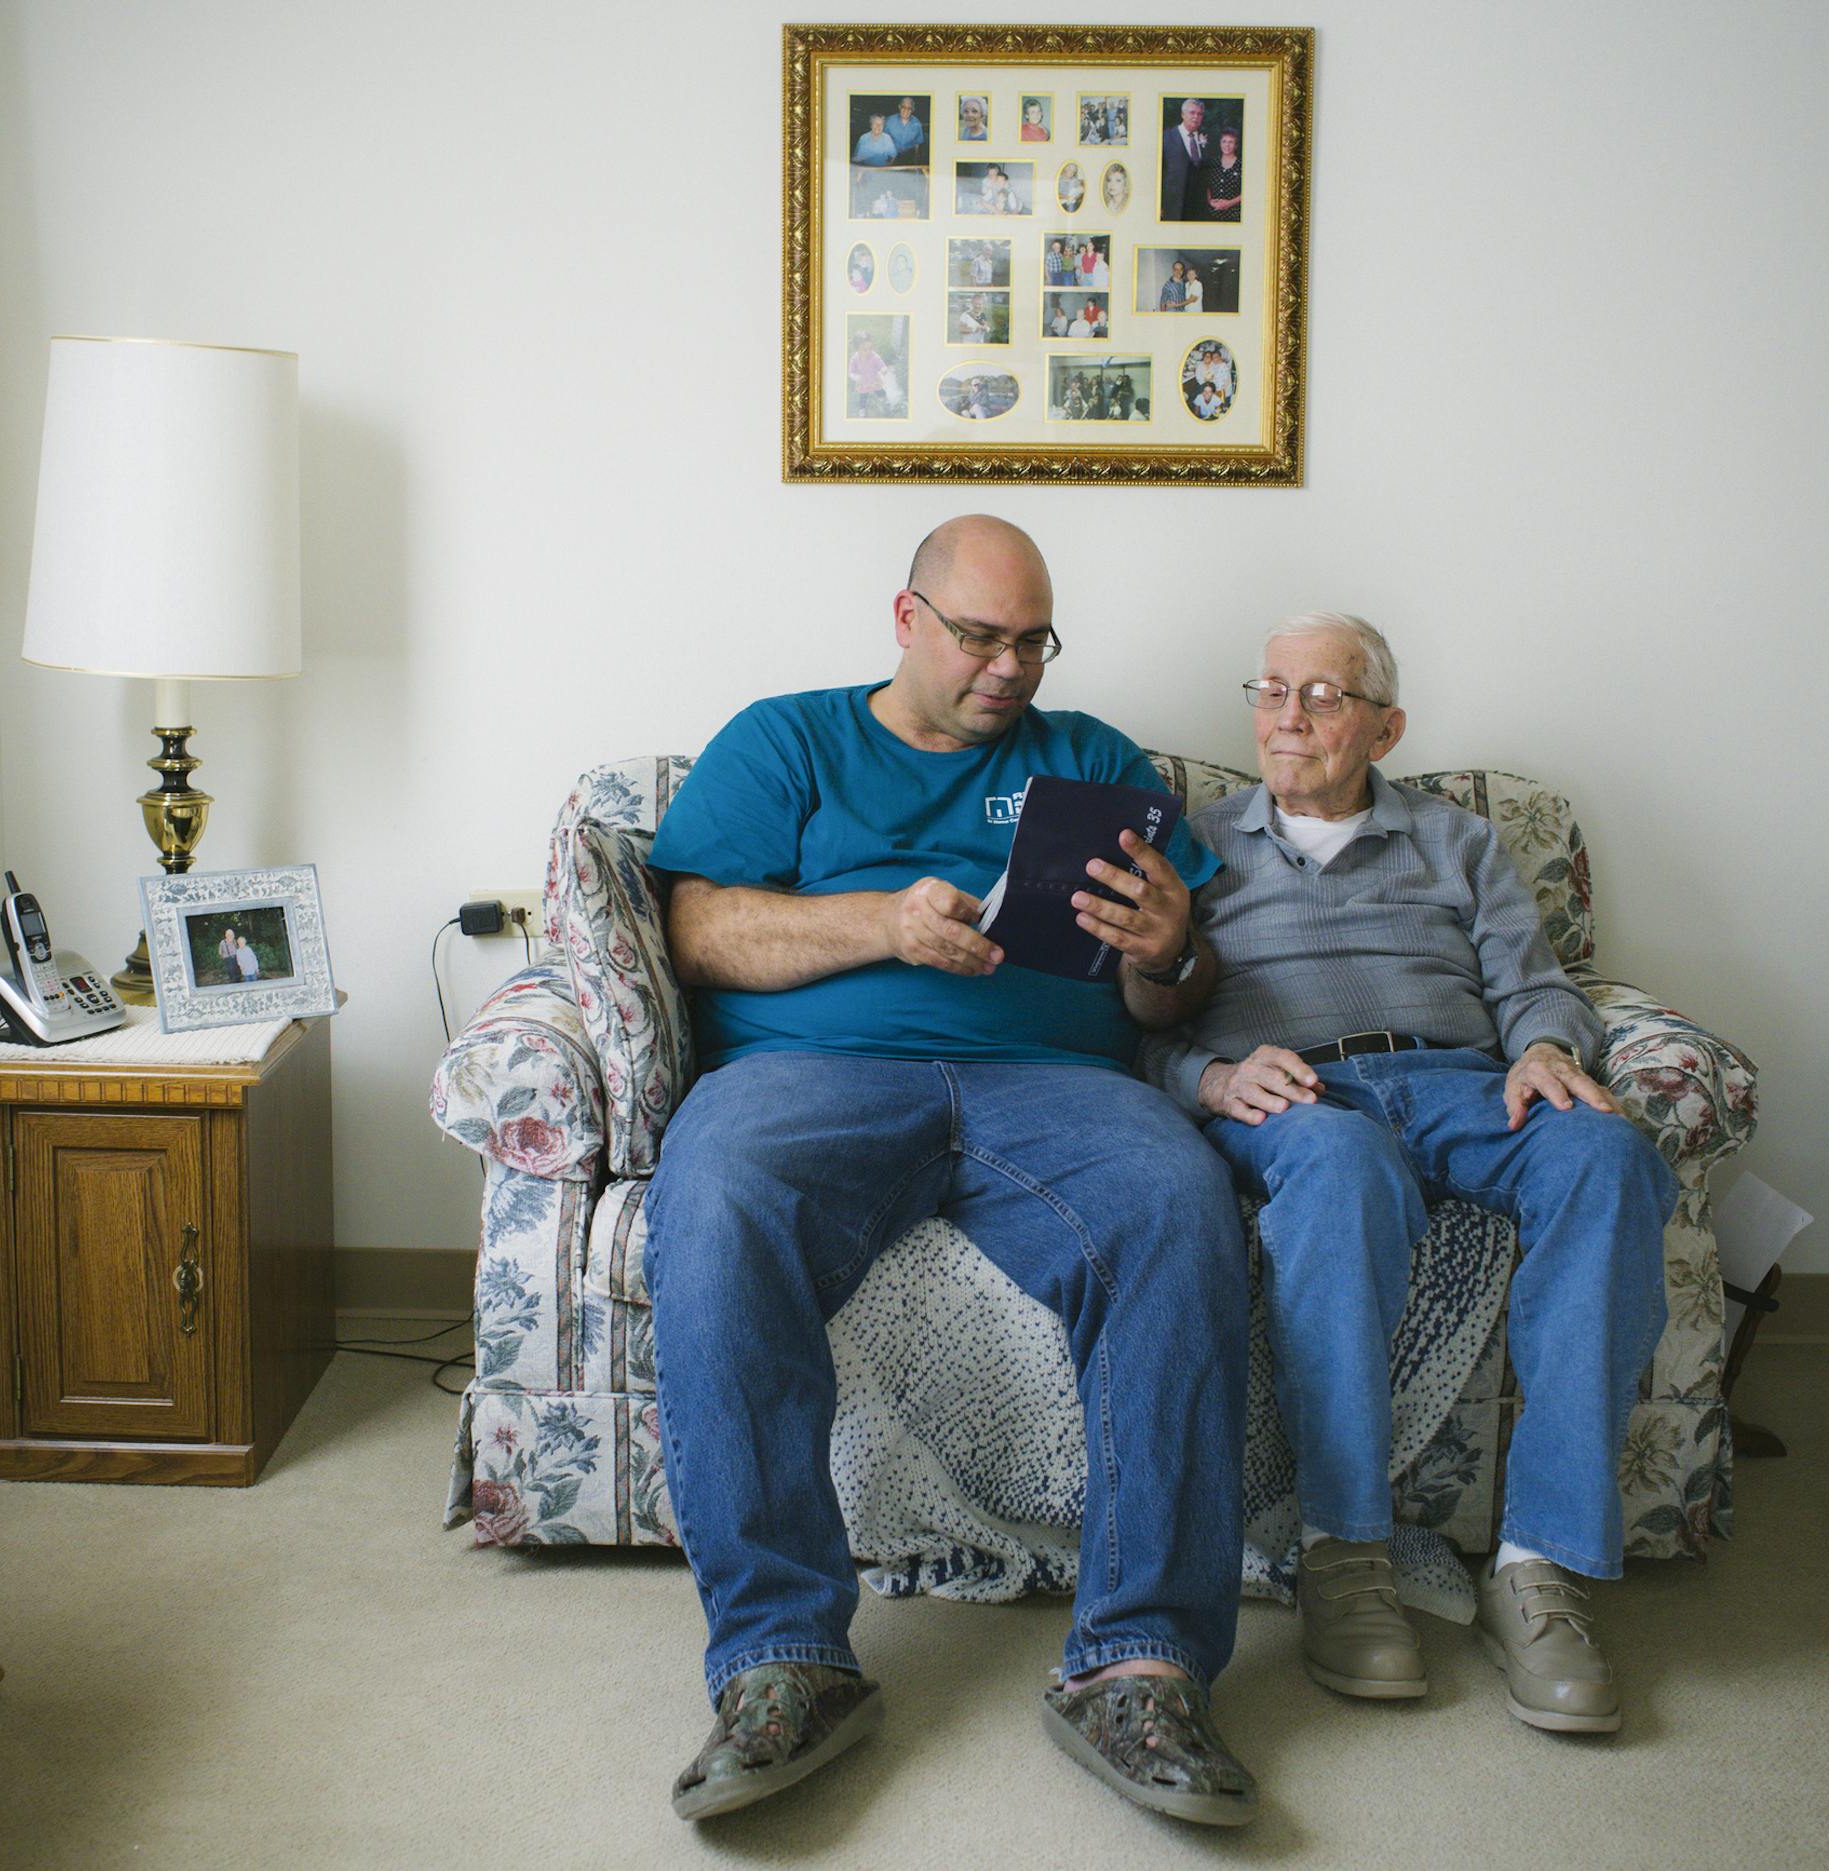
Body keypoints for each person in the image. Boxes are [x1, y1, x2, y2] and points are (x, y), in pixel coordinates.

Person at [649, 516, 1258, 1829]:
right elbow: (697, 930)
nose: (1009, 667)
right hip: (812, 1080)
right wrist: (883, 921)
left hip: (1060, 1087)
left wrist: (1169, 946)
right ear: (906, 617)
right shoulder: (789, 739)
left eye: (1032, 639)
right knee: (713, 1200)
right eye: (980, 635)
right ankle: (782, 1657)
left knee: (1178, 1202)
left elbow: (1175, 997)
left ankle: (1138, 1664)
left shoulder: (1093, 757)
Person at [1140, 612, 1675, 1735]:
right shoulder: (1191, 845)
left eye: (1324, 696)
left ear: (1385, 727)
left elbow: (1537, 979)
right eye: (1273, 689)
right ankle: (1345, 1550)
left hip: (1464, 1080)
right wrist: (1214, 1074)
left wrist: (1543, 1045)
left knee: (1607, 1154)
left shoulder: (1458, 840)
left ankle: (1537, 1563)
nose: (1289, 715)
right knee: (1338, 1163)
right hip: (1301, 1096)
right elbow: (1134, 1016)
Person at [1160, 97, 1213, 220]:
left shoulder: (1206, 139)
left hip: (1199, 209)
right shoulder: (1165, 138)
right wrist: (1159, 204)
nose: (1196, 117)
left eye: (1200, 114)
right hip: (1173, 207)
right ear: (1183, 114)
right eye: (1192, 113)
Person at [847, 332, 886, 416]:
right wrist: (856, 377)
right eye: (865, 349)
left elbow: (880, 364)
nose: (868, 351)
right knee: (863, 397)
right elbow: (851, 372)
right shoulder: (854, 359)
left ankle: (882, 398)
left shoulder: (874, 356)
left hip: (875, 379)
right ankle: (862, 408)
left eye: (870, 348)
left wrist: (883, 369)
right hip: (863, 382)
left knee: (879, 390)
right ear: (857, 349)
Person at [1206, 129, 1242, 219]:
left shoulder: (1242, 164)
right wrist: (1210, 201)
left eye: (1231, 142)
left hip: (1234, 214)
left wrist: (1229, 203)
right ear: (1220, 144)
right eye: (1224, 141)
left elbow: (1249, 191)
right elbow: (1206, 185)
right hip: (1212, 213)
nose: (1227, 145)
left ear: (1236, 145)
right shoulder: (1213, 163)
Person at [884, 96, 926, 163]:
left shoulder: (917, 123)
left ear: (912, 109)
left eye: (909, 108)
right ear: (899, 107)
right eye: (903, 107)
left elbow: (917, 142)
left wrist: (916, 156)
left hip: (909, 156)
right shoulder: (889, 121)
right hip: (891, 155)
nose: (906, 110)